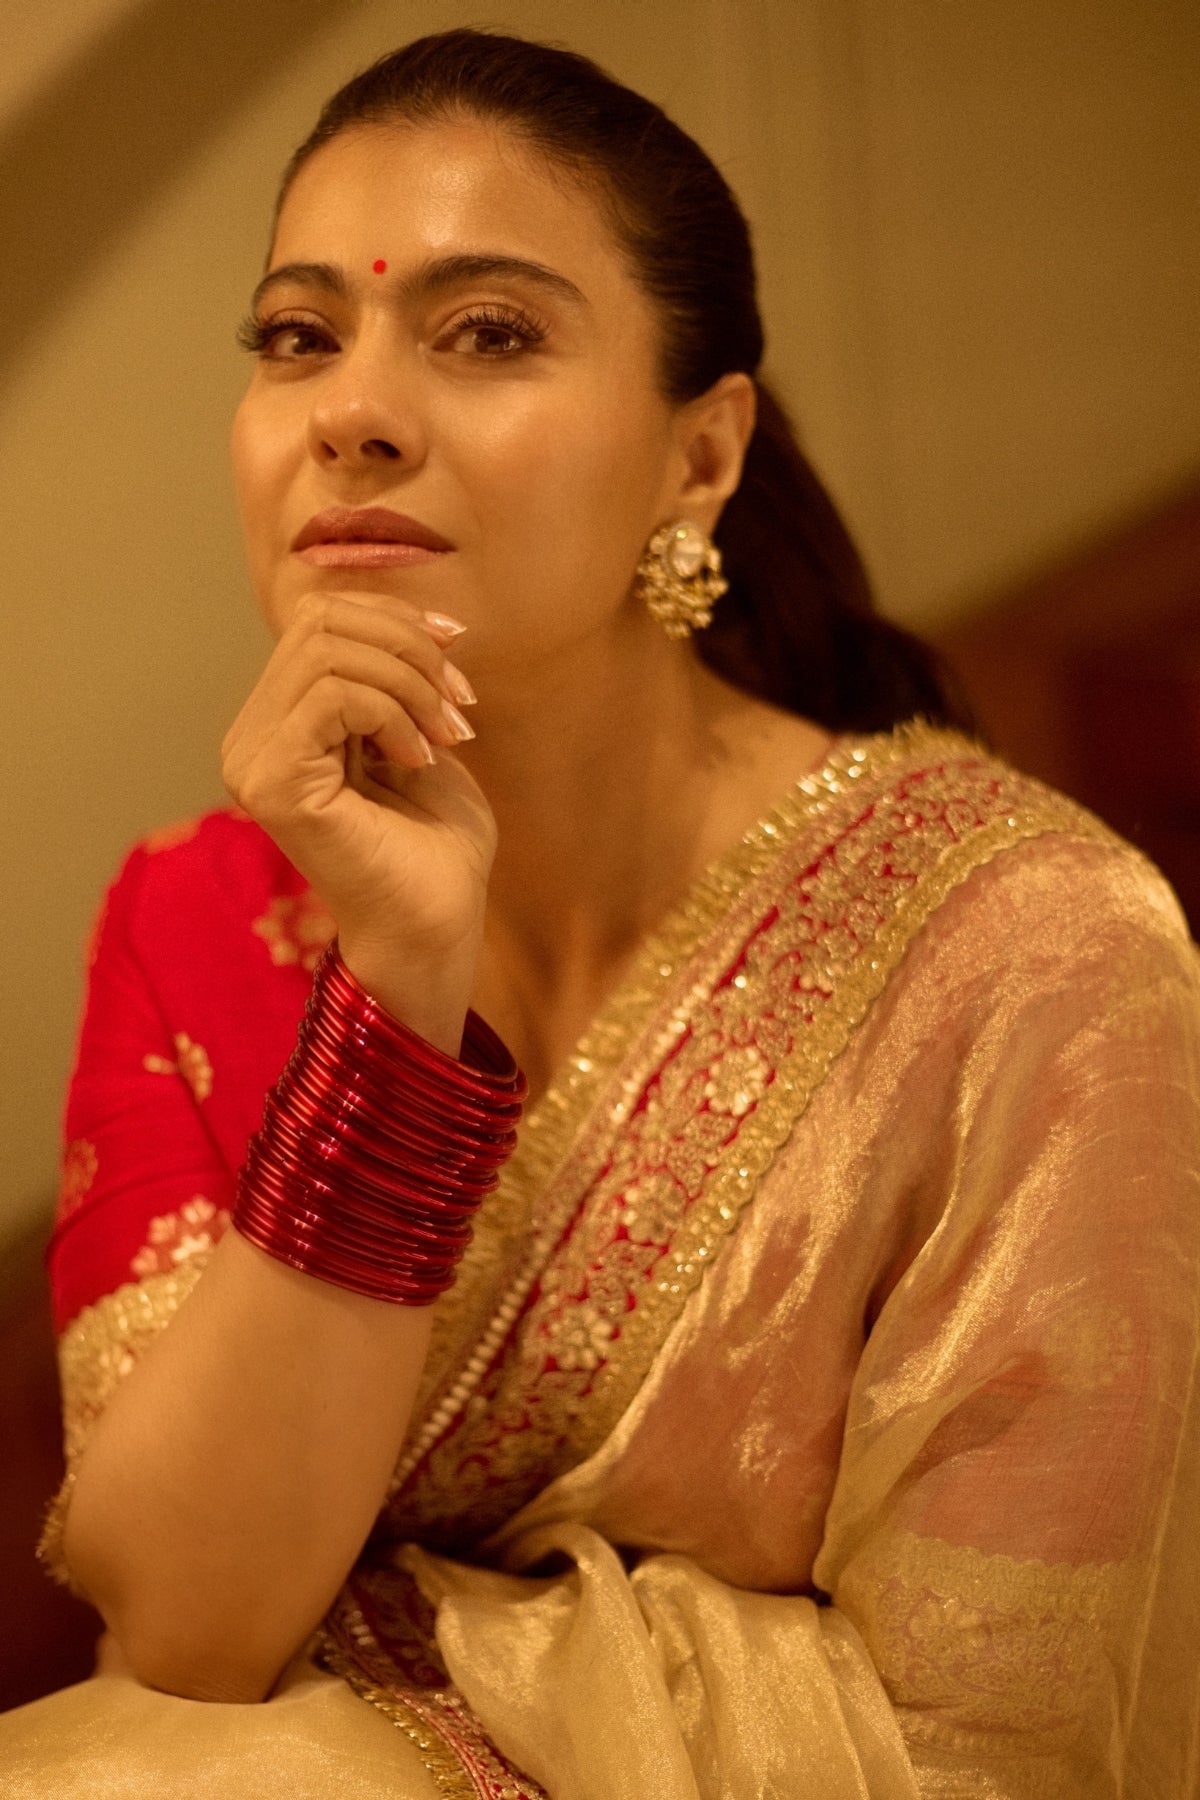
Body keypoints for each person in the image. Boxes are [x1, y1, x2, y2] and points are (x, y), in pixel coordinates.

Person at [2, 27, 1197, 1800]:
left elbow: (998, 1744)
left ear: (699, 459)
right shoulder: (196, 917)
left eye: (488, 332)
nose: (351, 412)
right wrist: (400, 993)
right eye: (298, 335)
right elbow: (187, 1624)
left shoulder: (1037, 955)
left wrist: (381, 1701)